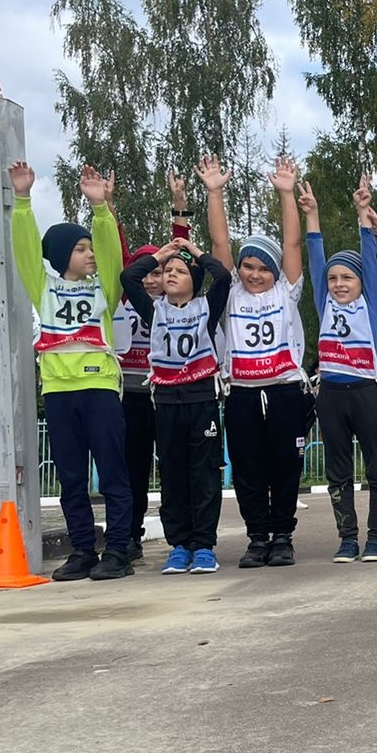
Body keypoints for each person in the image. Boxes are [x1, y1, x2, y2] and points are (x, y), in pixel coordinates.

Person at [7, 160, 133, 581]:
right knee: (71, 477)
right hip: (59, 392)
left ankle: (118, 549)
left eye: (90, 246)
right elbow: (27, 250)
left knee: (112, 473)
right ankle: (82, 549)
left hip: (99, 387)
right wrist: (22, 201)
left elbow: (112, 249)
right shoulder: (42, 288)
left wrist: (100, 209)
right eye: (80, 249)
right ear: (61, 256)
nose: (90, 253)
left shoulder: (105, 287)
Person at [197, 154, 314, 568]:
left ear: (276, 271)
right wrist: (215, 192)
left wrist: (285, 194)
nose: (254, 274)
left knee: (284, 467)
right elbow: (219, 247)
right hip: (243, 394)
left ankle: (282, 535)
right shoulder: (230, 294)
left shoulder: (287, 292)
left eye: (264, 268)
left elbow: (293, 244)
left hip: (283, 391)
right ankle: (257, 537)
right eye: (248, 266)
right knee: (247, 470)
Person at [121, 237, 230, 574]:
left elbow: (223, 277)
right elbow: (128, 279)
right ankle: (179, 545)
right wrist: (162, 254)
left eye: (179, 271)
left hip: (201, 400)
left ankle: (203, 546)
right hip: (167, 402)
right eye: (167, 271)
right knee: (173, 475)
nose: (170, 274)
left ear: (194, 282)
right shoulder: (154, 311)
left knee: (204, 474)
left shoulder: (206, 308)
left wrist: (195, 253)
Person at [301, 175, 377, 563]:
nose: (338, 284)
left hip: (366, 392)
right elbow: (315, 256)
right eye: (334, 278)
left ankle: (375, 537)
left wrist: (362, 215)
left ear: (360, 283)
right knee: (338, 471)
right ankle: (347, 537)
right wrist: (313, 215)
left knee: (376, 466)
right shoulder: (325, 304)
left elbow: (369, 261)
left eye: (347, 278)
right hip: (332, 395)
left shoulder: (369, 306)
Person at [111, 171, 194, 562]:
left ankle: (184, 535)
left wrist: (179, 209)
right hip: (128, 395)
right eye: (148, 271)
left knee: (175, 467)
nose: (154, 278)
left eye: (160, 272)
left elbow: (181, 250)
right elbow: (119, 253)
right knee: (133, 468)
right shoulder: (126, 296)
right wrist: (108, 210)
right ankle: (130, 534)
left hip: (165, 394)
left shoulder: (172, 304)